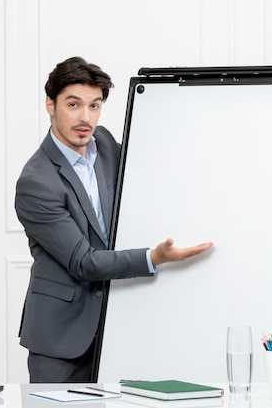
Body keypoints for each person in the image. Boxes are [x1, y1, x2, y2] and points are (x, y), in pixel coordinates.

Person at [14, 56, 214, 383]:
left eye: (94, 106)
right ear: (50, 105)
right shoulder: (36, 183)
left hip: (119, 323)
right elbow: (83, 262)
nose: (85, 117)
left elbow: (148, 173)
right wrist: (154, 258)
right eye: (73, 104)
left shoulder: (104, 144)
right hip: (61, 338)